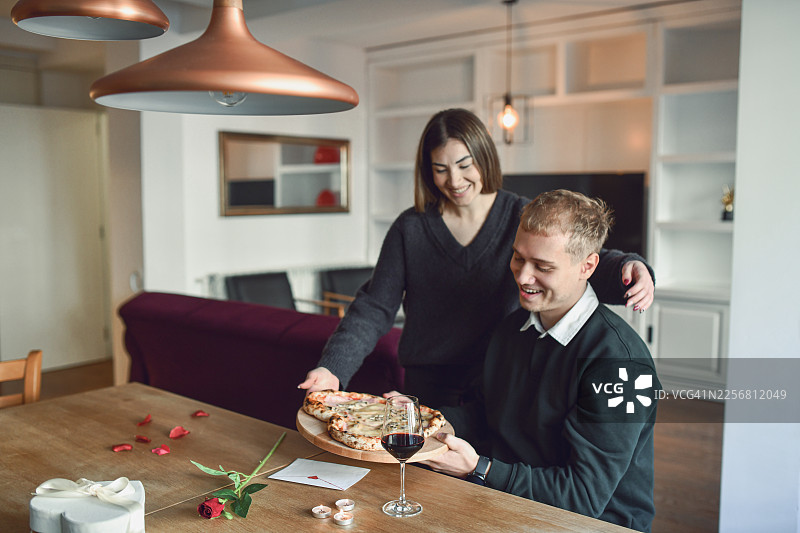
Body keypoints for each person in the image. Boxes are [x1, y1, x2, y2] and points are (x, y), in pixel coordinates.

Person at [298, 108, 655, 408]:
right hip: (429, 383)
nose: (454, 180)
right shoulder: (411, 228)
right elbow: (373, 308)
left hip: (504, 377)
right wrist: (333, 369)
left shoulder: (520, 214)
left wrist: (629, 267)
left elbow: (573, 261)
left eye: (464, 164)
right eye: (440, 169)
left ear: (484, 157)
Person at [421, 190, 660, 533]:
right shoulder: (511, 330)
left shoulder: (621, 364)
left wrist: (479, 468)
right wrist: (430, 420)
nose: (522, 276)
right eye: (518, 258)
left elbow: (583, 496)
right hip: (509, 504)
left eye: (543, 267)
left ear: (588, 266)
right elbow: (486, 413)